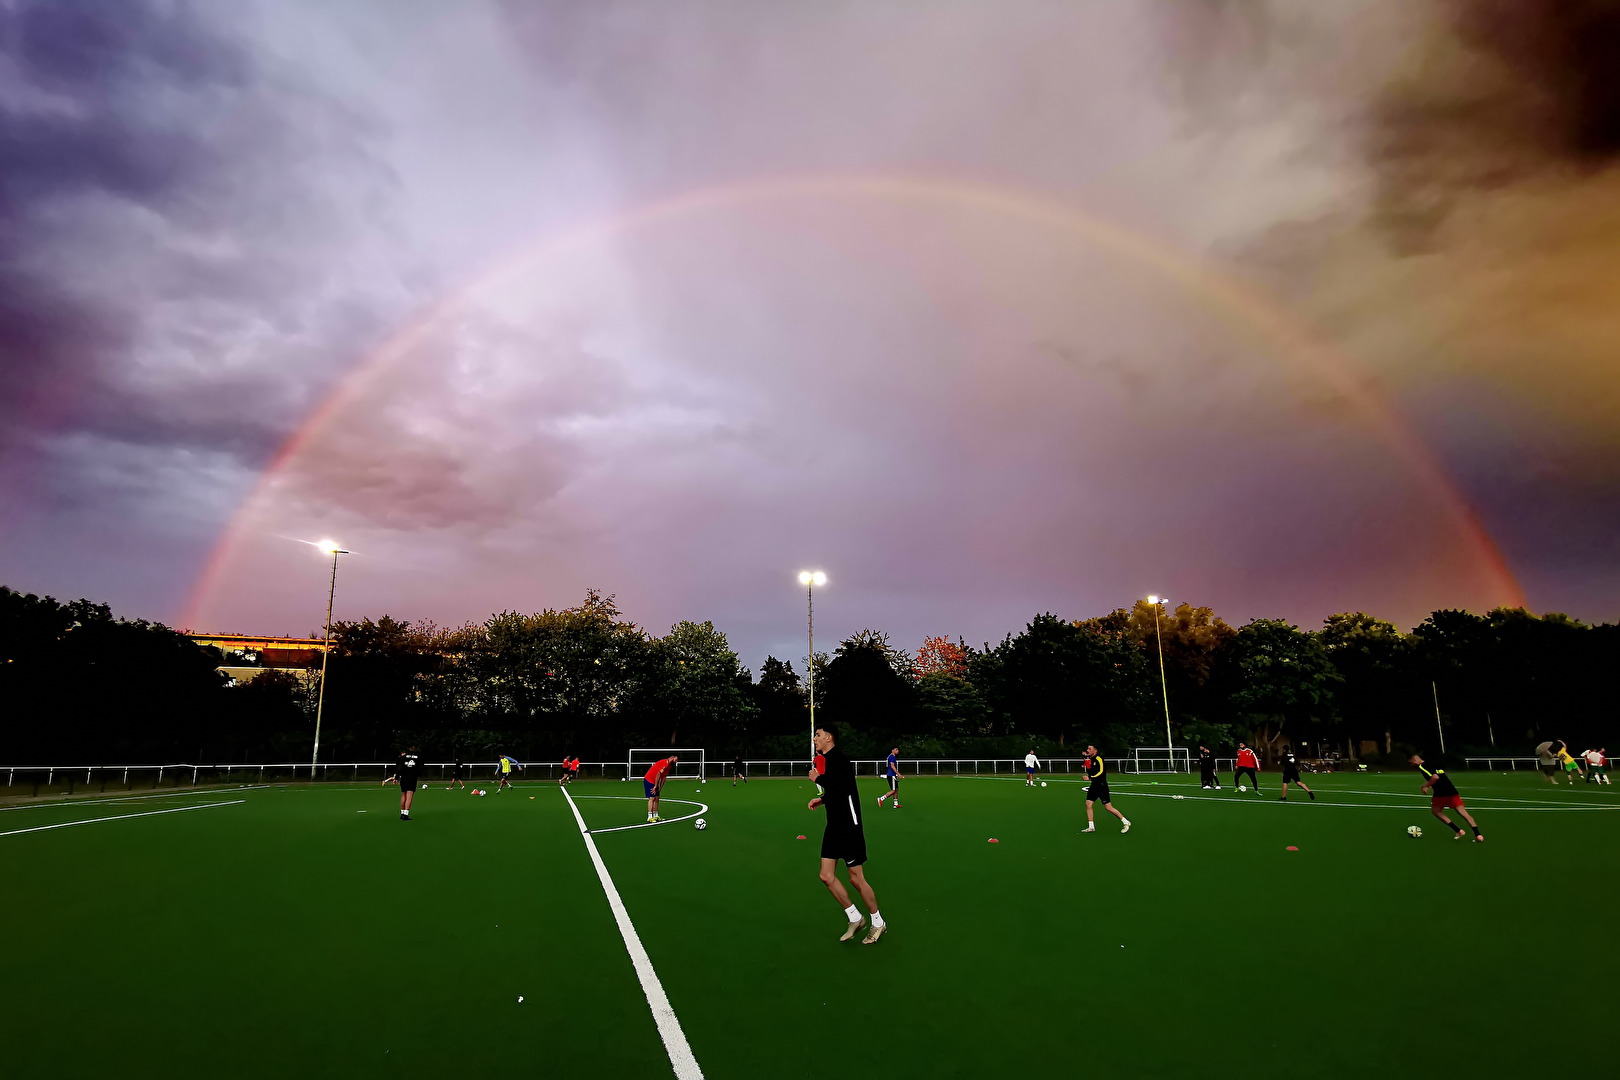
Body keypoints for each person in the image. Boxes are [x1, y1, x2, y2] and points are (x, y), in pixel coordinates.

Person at [807, 724, 886, 945]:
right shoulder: (828, 761)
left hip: (849, 826)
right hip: (833, 825)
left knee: (856, 879)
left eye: (818, 735)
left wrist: (818, 780)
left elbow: (843, 787)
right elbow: (837, 792)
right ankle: (855, 917)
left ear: (829, 738)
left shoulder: (840, 760)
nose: (815, 739)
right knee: (826, 876)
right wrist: (822, 799)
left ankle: (878, 922)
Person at [1411, 753, 1484, 842]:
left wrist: (1426, 786)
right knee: (1463, 813)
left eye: (1411, 762)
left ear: (1414, 761)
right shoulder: (1432, 763)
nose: (1411, 765)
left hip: (1441, 793)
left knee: (1436, 811)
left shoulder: (1422, 767)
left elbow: (1435, 777)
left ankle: (1458, 830)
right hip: (1452, 790)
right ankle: (1478, 835)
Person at [1079, 745, 1131, 834]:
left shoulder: (1099, 758)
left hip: (1101, 786)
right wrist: (1085, 758)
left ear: (1095, 750)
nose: (1088, 750)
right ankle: (1091, 827)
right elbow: (1089, 769)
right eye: (1087, 749)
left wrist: (1090, 777)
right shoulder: (1090, 759)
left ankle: (1126, 822)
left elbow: (1101, 771)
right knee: (1088, 804)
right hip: (1094, 785)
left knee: (1108, 807)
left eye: (1089, 749)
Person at [382, 745, 421, 821]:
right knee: (409, 795)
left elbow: (399, 767)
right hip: (412, 778)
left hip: (404, 777)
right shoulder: (418, 757)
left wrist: (396, 777)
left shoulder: (403, 756)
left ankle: (402, 813)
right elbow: (421, 768)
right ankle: (406, 814)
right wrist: (417, 774)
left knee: (403, 794)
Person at [644, 754, 678, 823]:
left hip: (655, 781)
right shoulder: (665, 763)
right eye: (676, 759)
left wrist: (660, 788)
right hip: (649, 779)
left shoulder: (669, 766)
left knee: (657, 797)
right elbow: (658, 775)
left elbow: (663, 778)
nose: (676, 761)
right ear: (672, 757)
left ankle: (656, 815)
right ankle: (650, 817)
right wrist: (655, 786)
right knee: (652, 798)